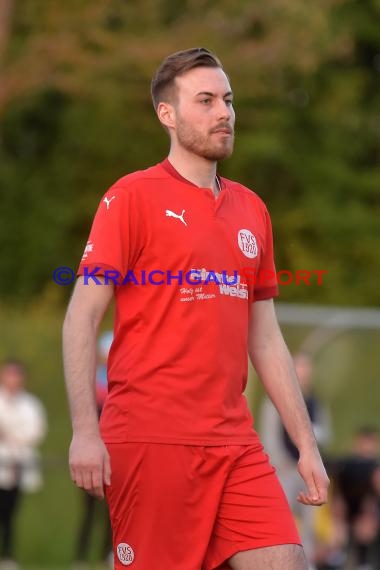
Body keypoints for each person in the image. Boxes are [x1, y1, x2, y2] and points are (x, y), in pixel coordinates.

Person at [63, 47, 329, 570]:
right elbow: (81, 318)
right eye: (205, 101)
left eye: (227, 100)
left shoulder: (252, 209)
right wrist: (84, 431)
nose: (223, 113)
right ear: (168, 114)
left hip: (234, 441)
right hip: (150, 438)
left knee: (285, 560)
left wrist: (307, 446)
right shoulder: (131, 197)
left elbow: (266, 339)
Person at [258, 352, 332, 566]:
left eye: (306, 368)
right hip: (285, 470)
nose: (303, 373)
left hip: (308, 472)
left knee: (310, 524)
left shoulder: (315, 404)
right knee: (280, 521)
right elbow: (270, 438)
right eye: (299, 368)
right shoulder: (273, 402)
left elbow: (324, 433)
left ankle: (306, 563)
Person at [0, 359, 47, 569]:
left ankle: (8, 554)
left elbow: (35, 431)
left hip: (17, 464)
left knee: (10, 512)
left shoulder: (30, 404)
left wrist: (10, 434)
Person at [73, 331, 113, 567]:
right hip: (97, 429)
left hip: (116, 434)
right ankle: (80, 556)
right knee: (88, 505)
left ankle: (106, 555)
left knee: (113, 507)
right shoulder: (92, 380)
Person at [332, 427, 380, 570]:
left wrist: (371, 512)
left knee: (365, 529)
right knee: (338, 536)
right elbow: (337, 491)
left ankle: (364, 562)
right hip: (349, 513)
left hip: (369, 514)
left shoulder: (375, 467)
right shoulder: (346, 465)